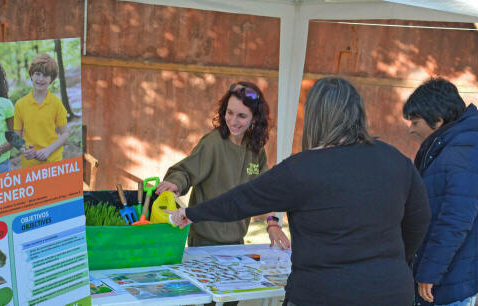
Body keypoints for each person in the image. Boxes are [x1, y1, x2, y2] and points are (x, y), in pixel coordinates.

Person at [168, 77, 431, 305]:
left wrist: (192, 213)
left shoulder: (302, 169)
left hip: (321, 294)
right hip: (390, 291)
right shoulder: (396, 160)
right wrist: (392, 261)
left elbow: (243, 200)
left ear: (316, 117)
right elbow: (420, 220)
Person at [156, 81, 290, 250]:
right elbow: (185, 172)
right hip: (204, 243)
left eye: (241, 116)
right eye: (229, 112)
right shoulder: (212, 143)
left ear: (255, 118)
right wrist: (175, 183)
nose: (233, 121)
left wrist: (272, 224)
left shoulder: (256, 150)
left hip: (237, 243)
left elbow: (265, 190)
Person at [403, 78, 478, 306]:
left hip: (446, 285)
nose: (411, 129)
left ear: (438, 120)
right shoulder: (448, 145)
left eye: (415, 122)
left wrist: (429, 273)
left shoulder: (464, 149)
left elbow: (455, 220)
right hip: (441, 279)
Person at [14, 53, 69, 168]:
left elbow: (65, 134)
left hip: (53, 160)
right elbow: (16, 135)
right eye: (37, 74)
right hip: (30, 164)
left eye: (45, 75)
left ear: (51, 79)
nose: (40, 79)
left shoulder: (57, 103)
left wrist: (48, 150)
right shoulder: (20, 104)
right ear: (31, 75)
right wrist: (24, 150)